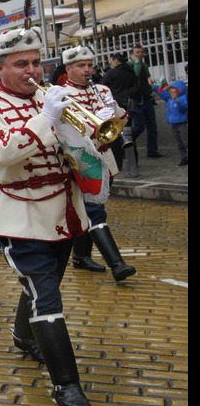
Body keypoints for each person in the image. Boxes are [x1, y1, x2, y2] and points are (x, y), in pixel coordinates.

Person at [0, 27, 93, 406]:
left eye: (36, 62)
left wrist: (90, 128)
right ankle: (66, 385)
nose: (32, 70)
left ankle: (23, 335)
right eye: (21, 64)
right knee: (46, 293)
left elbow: (82, 144)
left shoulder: (47, 96)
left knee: (44, 286)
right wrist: (46, 119)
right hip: (21, 216)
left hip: (63, 211)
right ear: (0, 68)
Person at [60, 46, 137, 282]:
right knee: (95, 210)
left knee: (90, 209)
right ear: (68, 69)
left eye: (89, 65)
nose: (87, 70)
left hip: (105, 157)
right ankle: (117, 264)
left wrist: (114, 111)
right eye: (81, 66)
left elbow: (122, 118)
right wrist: (96, 122)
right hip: (82, 160)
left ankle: (81, 256)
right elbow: (70, 130)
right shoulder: (61, 94)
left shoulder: (102, 89)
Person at [99, 53, 139, 171]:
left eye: (111, 62)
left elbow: (102, 86)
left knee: (115, 136)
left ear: (116, 61)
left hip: (115, 106)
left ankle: (118, 163)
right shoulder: (131, 72)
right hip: (128, 105)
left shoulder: (113, 73)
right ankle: (134, 160)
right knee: (128, 132)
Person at [130, 46, 161, 158]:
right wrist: (137, 62)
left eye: (142, 52)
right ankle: (126, 143)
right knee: (139, 126)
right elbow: (135, 76)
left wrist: (151, 91)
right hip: (138, 101)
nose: (140, 54)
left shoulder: (144, 65)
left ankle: (152, 150)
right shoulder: (131, 65)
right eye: (137, 52)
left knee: (152, 126)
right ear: (132, 54)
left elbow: (147, 79)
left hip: (147, 99)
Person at [152, 78, 188, 167]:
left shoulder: (183, 98)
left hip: (182, 124)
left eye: (173, 89)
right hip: (173, 125)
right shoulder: (169, 98)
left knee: (186, 142)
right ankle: (184, 158)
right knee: (179, 143)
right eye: (171, 89)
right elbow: (162, 93)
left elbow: (184, 106)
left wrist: (177, 99)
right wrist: (154, 86)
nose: (171, 91)